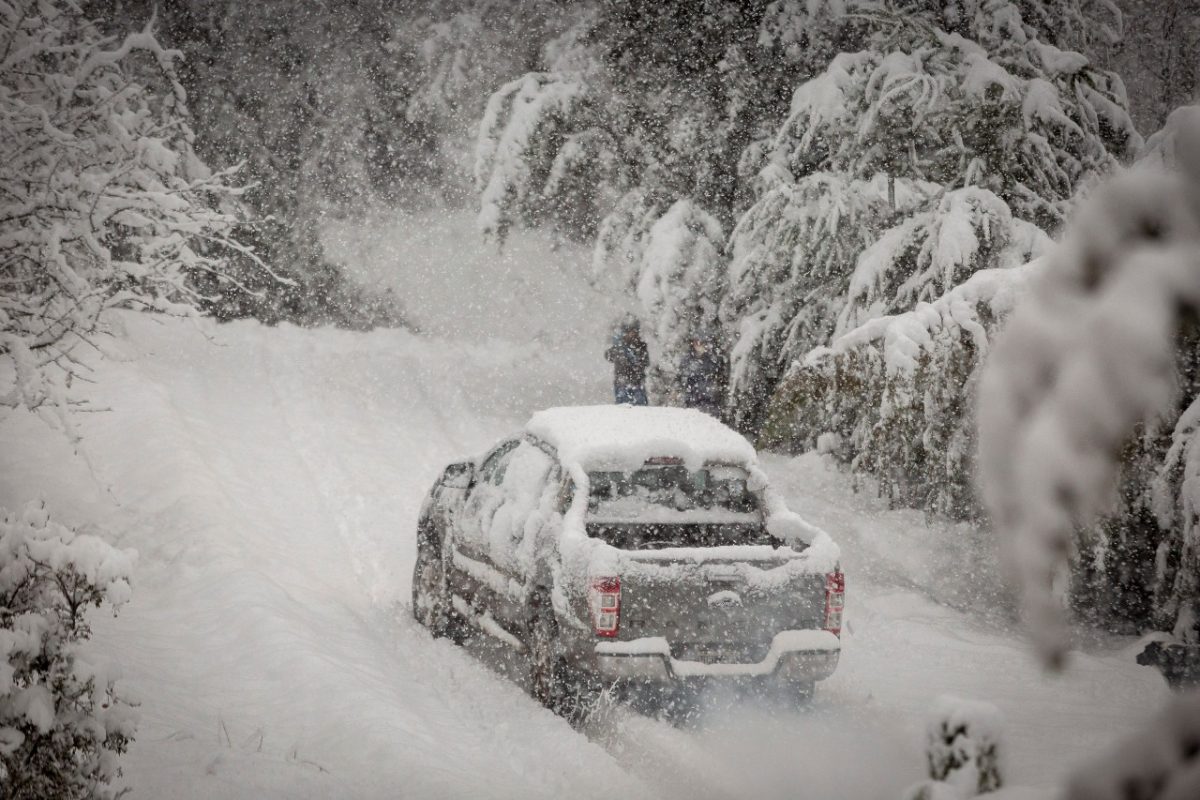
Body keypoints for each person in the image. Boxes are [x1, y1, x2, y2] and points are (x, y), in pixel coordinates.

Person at [605, 317, 649, 405]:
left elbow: (646, 362)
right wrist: (618, 350)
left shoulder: (641, 346)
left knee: (639, 406)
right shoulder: (620, 346)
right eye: (631, 332)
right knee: (623, 406)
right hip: (622, 382)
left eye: (635, 331)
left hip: (637, 382)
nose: (633, 334)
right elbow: (608, 356)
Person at [679, 332, 724, 417]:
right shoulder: (687, 359)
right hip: (693, 399)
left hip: (709, 400)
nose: (698, 345)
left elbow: (716, 375)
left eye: (701, 342)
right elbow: (682, 376)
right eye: (696, 342)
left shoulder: (712, 359)